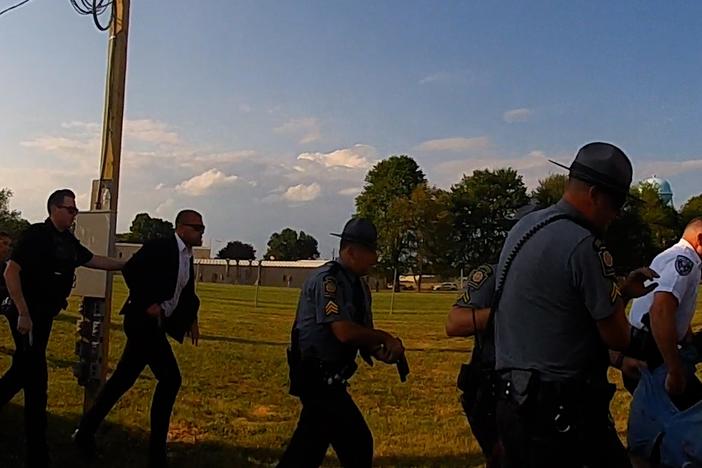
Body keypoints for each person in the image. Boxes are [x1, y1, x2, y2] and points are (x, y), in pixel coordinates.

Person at [493, 142, 658, 468]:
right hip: (560, 414)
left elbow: (562, 314)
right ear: (595, 194)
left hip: (513, 403)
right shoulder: (585, 245)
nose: (616, 214)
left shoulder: (524, 228)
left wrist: (621, 292)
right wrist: (666, 349)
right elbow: (617, 336)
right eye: (617, 203)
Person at [1, 189, 124, 468]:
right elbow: (11, 272)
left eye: (75, 209)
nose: (74, 214)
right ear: (54, 209)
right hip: (26, 318)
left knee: (21, 373)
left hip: (42, 318)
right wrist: (23, 312)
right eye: (70, 209)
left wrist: (123, 265)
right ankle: (38, 453)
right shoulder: (35, 236)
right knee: (37, 384)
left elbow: (92, 259)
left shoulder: (67, 241)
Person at [74, 209, 204, 467]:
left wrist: (192, 319)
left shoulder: (188, 256)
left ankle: (84, 432)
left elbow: (187, 291)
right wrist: (147, 302)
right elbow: (132, 270)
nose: (202, 233)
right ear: (181, 228)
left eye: (203, 228)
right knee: (170, 379)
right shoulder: (161, 247)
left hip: (153, 325)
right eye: (197, 228)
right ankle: (156, 453)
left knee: (122, 380)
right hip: (142, 323)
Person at [277, 218, 407, 468]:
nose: (375, 258)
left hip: (332, 379)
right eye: (371, 251)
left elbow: (361, 333)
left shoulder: (359, 286)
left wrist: (381, 352)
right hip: (316, 377)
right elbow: (344, 332)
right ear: (351, 251)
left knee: (313, 449)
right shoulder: (329, 281)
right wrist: (384, 337)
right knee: (354, 444)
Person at [627, 218, 702, 409]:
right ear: (700, 239)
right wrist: (674, 371)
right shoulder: (684, 260)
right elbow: (660, 311)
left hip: (645, 345)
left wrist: (686, 336)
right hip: (651, 352)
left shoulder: (674, 255)